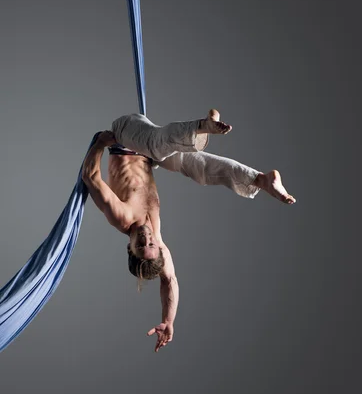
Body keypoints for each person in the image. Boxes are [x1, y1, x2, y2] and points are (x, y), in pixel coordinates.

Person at [82, 110, 296, 352]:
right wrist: (169, 320)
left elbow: (90, 176)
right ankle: (260, 180)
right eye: (151, 245)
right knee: (199, 168)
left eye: (140, 245)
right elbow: (169, 280)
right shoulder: (158, 241)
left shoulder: (121, 216)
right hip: (151, 156)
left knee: (158, 143)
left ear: (130, 248)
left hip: (125, 136)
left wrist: (100, 142)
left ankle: (202, 126)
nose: (147, 239)